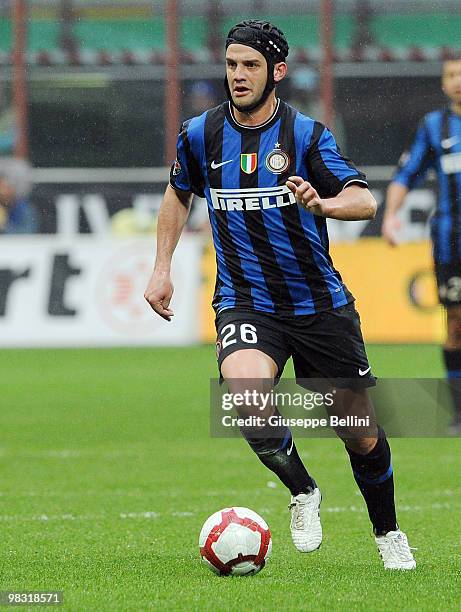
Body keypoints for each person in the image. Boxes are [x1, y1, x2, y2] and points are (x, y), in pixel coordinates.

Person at [145, 20, 415, 570]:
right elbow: (178, 194)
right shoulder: (200, 134)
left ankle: (388, 533)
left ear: (277, 72)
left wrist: (324, 206)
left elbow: (363, 200)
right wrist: (161, 267)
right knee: (245, 394)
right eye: (231, 64)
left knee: (358, 432)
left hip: (318, 304)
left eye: (250, 65)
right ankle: (303, 490)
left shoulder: (307, 135)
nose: (238, 75)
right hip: (246, 302)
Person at [382, 57, 461, 434]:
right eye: (450, 75)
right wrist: (391, 215)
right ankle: (460, 412)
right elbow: (406, 174)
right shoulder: (435, 126)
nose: (457, 81)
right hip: (452, 244)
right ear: (443, 82)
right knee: (456, 325)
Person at [0, 158, 37, 234]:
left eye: (6, 187)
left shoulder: (24, 209)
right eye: (1, 187)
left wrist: (4, 227)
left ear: (12, 189)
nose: (3, 192)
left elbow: (28, 231)